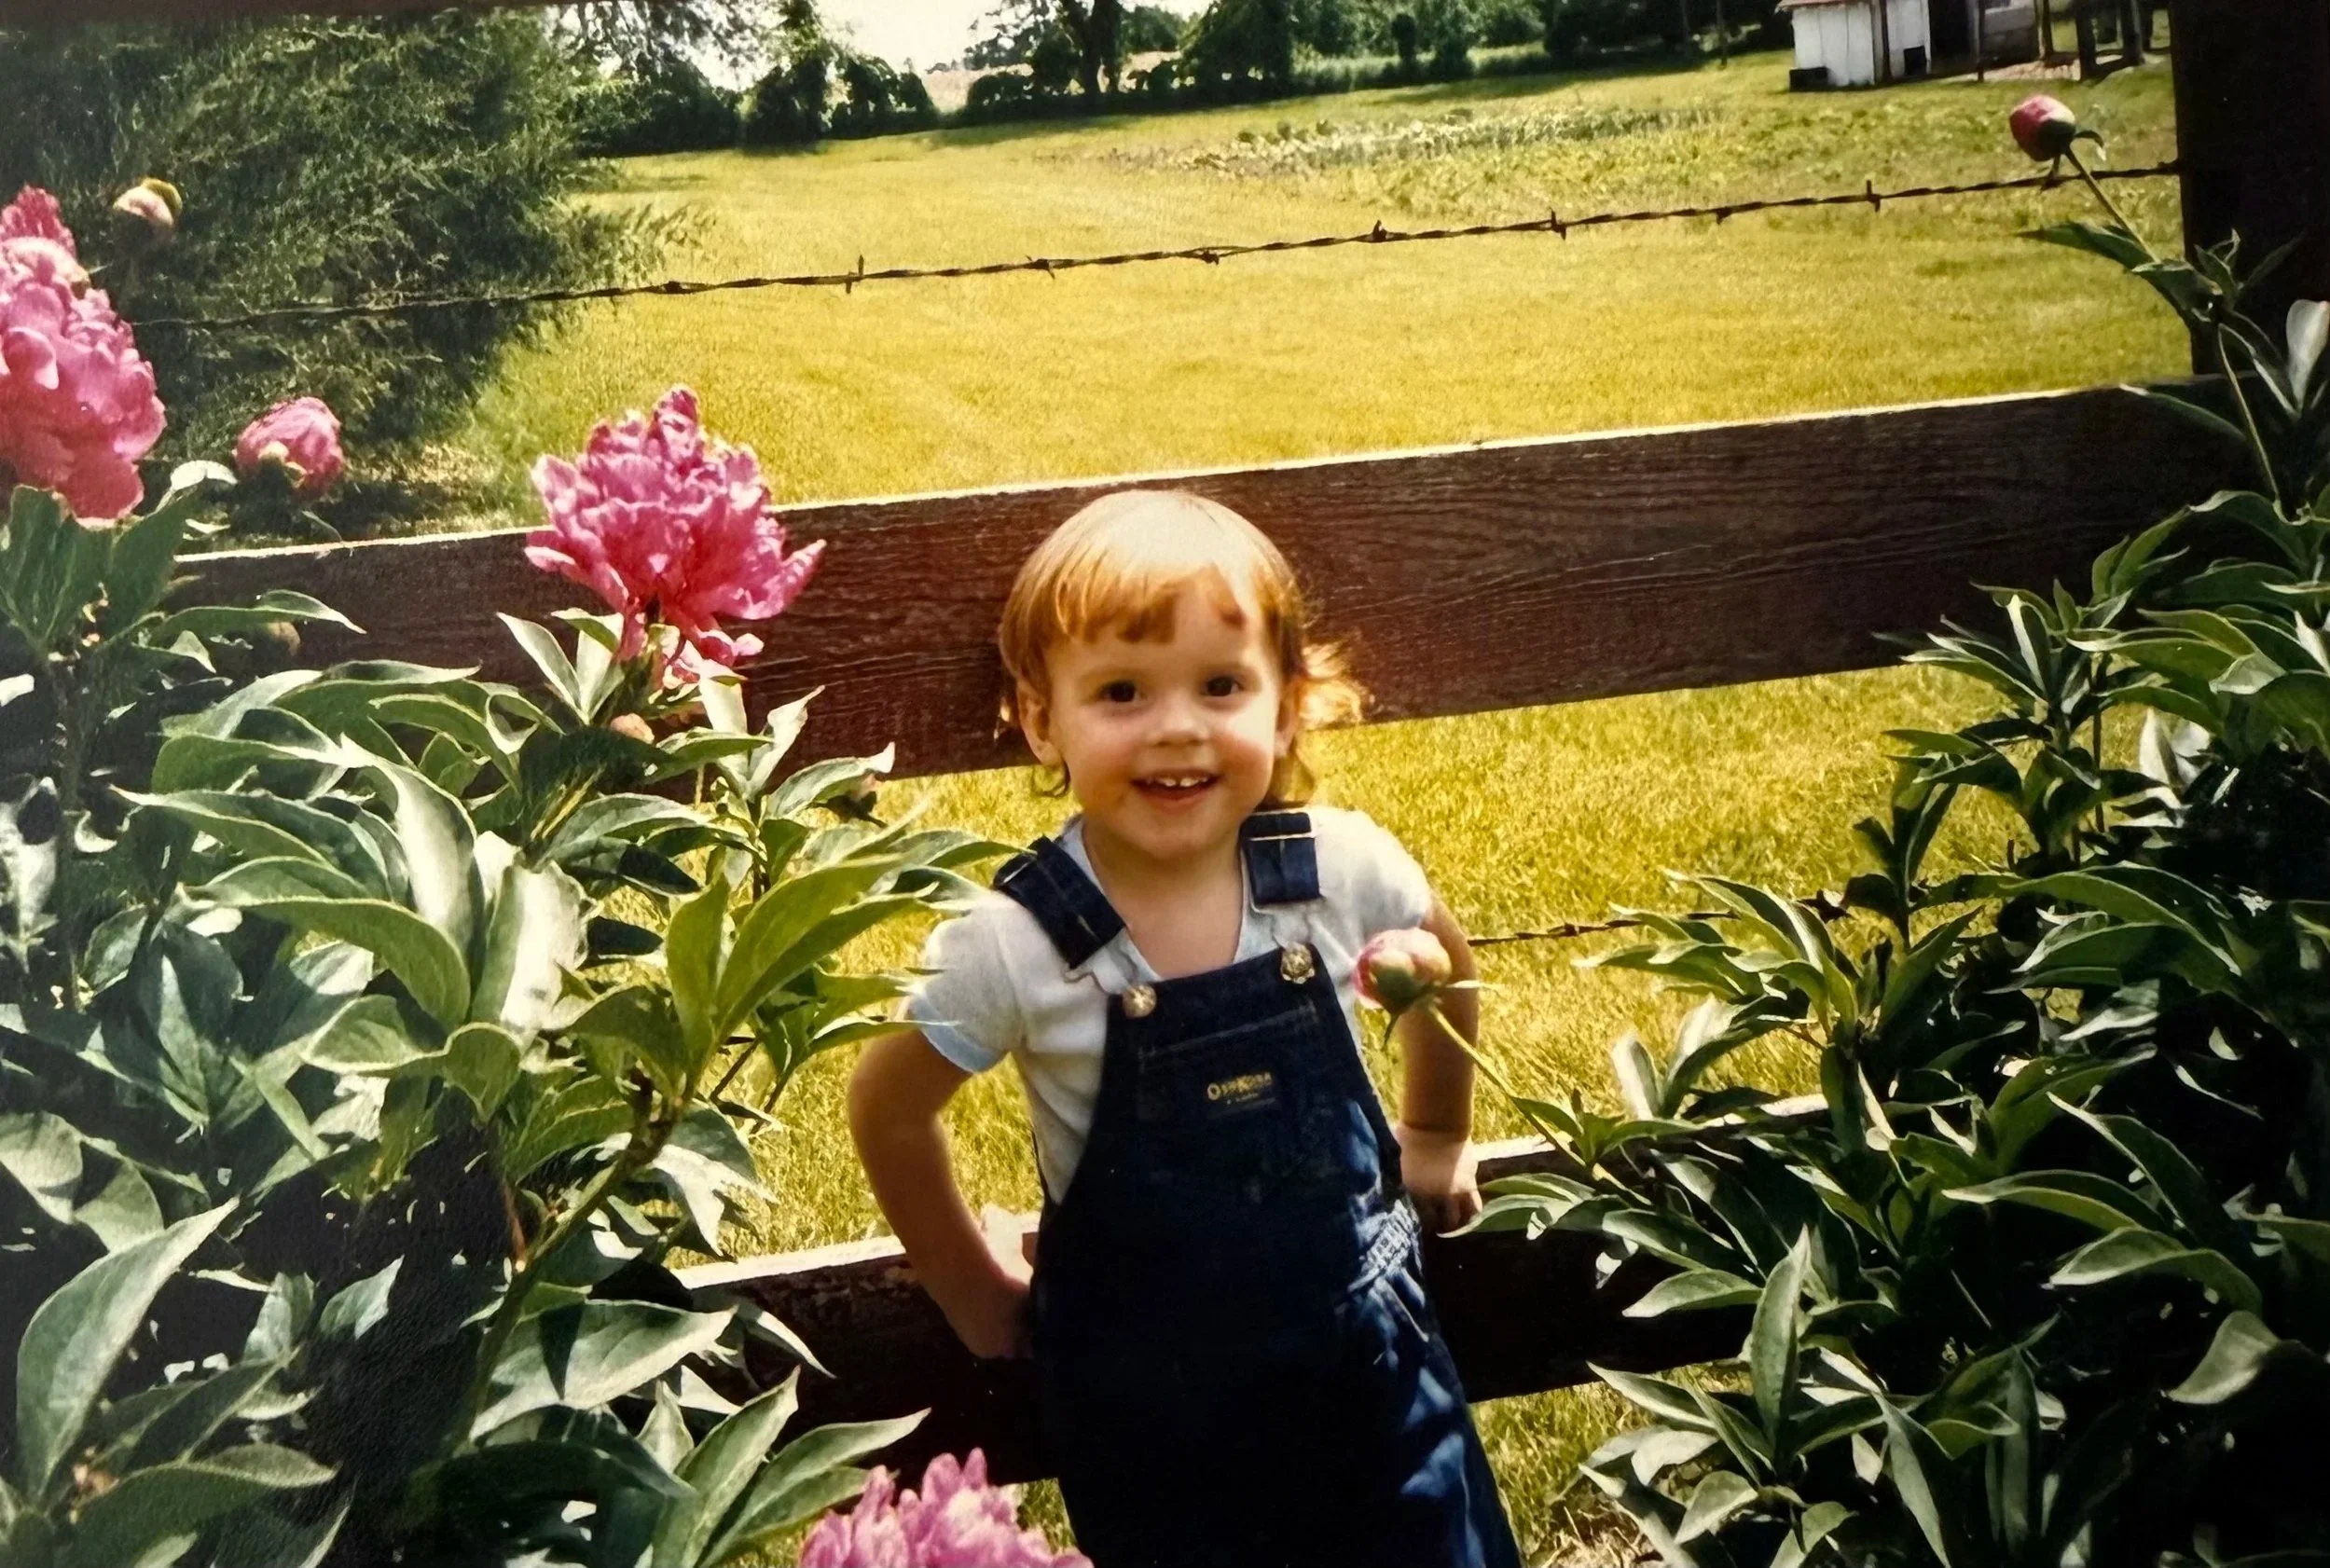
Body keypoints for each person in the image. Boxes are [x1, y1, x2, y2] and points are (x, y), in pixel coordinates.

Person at [847, 490, 1520, 1568]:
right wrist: (972, 1290)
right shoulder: (1017, 939)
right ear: (1041, 720)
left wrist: (1436, 1128)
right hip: (1152, 1418)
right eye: (1121, 690)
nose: (1175, 725)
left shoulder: (1340, 870)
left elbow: (1443, 961)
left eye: (1221, 685)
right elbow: (888, 1107)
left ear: (1286, 708)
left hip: (1376, 1385)